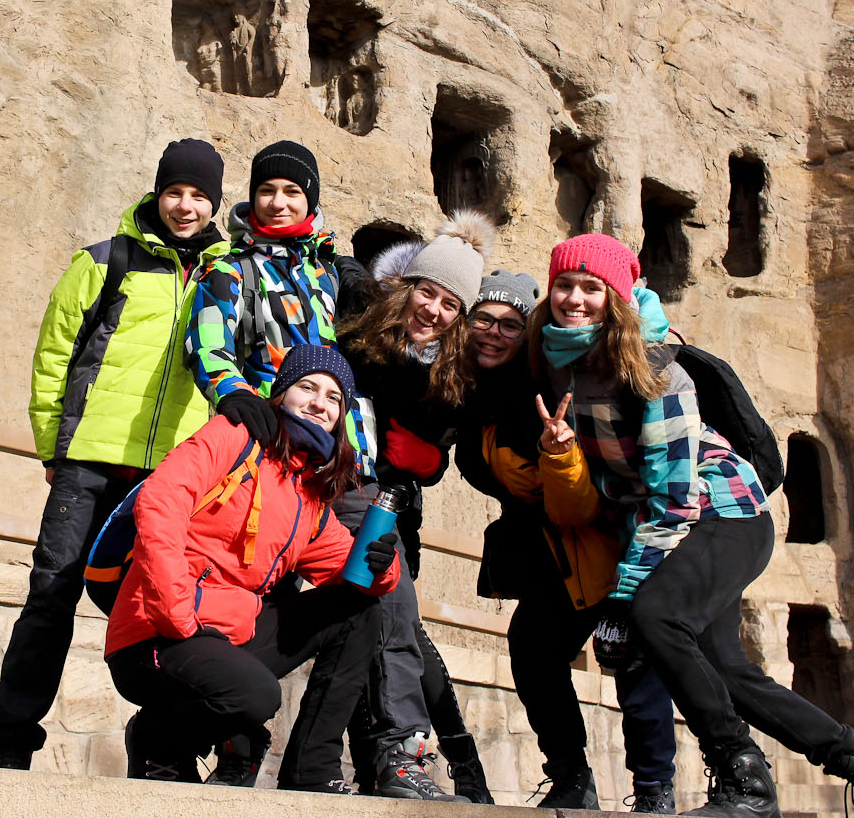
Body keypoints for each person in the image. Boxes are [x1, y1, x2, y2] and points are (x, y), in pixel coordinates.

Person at [526, 233, 854, 818]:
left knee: (655, 617)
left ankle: (744, 780)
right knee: (728, 670)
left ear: (616, 298)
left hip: (725, 512)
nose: (574, 299)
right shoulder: (556, 361)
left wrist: (621, 597)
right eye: (564, 285)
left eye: (591, 287)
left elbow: (674, 496)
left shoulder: (657, 371)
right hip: (669, 519)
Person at [0, 139, 229, 770]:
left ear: (215, 204)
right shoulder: (106, 260)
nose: (185, 206)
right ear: (157, 194)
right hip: (89, 462)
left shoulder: (226, 278)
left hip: (168, 477)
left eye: (199, 196)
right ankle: (13, 740)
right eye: (174, 192)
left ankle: (163, 746)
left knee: (164, 609)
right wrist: (53, 446)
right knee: (51, 593)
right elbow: (54, 354)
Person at [105, 345, 401, 792]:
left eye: (334, 398)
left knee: (358, 611)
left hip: (230, 633)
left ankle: (311, 770)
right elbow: (159, 504)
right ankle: (155, 739)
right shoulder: (234, 436)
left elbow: (349, 567)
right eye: (307, 387)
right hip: (159, 630)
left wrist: (382, 566)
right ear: (281, 394)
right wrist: (178, 618)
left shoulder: (308, 492)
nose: (320, 403)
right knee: (257, 696)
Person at [454, 269, 678, 813]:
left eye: (510, 324)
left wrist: (554, 456)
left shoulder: (542, 388)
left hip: (607, 538)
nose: (494, 334)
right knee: (532, 650)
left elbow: (576, 500)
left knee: (633, 659)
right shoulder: (476, 397)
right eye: (483, 320)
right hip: (554, 552)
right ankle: (571, 778)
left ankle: (655, 789)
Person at [331, 210, 493, 802]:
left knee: (389, 627)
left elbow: (440, 451)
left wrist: (426, 457)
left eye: (451, 304)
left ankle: (391, 762)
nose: (434, 311)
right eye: (428, 293)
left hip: (395, 510)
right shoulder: (359, 336)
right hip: (343, 492)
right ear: (407, 286)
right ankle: (397, 756)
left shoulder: (454, 373)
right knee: (387, 623)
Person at [186, 140, 373, 473]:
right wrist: (235, 395)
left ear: (309, 199)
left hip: (345, 458)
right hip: (274, 445)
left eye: (292, 192)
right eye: (266, 191)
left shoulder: (330, 273)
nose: (277, 203)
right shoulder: (231, 271)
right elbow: (207, 345)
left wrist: (366, 459)